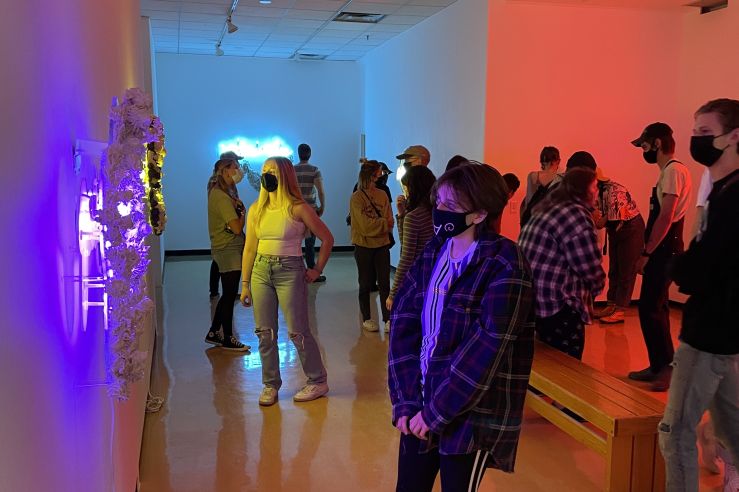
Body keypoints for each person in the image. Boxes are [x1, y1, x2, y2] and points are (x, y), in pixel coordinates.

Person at [388, 163, 535, 491]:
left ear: (480, 214)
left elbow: (485, 353)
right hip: (420, 400)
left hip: (467, 414)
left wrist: (434, 414)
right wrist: (405, 400)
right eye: (438, 202)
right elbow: (404, 324)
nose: (439, 212)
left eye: (450, 207)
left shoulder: (506, 263)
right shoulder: (435, 250)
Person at [659, 98, 739, 491]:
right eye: (694, 131)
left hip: (711, 331)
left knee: (675, 432)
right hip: (720, 329)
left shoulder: (734, 197)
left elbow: (705, 266)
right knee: (733, 429)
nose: (696, 139)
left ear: (734, 137)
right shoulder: (722, 190)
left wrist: (680, 266)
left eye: (705, 133)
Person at [240, 156, 333, 406]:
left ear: (285, 175)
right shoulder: (256, 209)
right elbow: (249, 248)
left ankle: (317, 380)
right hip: (261, 270)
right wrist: (245, 283)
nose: (267, 174)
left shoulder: (298, 208)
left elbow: (327, 238)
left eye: (273, 170)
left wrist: (316, 269)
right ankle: (270, 385)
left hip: (289, 270)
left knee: (298, 331)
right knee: (265, 332)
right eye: (265, 170)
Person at [519, 160, 606, 360]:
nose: (597, 192)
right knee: (568, 364)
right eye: (594, 187)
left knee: (545, 362)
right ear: (583, 190)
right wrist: (598, 286)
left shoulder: (548, 208)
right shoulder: (575, 214)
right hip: (557, 304)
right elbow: (588, 265)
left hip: (533, 300)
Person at [628, 122, 692, 392]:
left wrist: (646, 252)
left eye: (644, 144)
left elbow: (666, 216)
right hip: (663, 249)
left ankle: (665, 369)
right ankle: (659, 365)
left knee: (650, 308)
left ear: (656, 143)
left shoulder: (674, 171)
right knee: (657, 307)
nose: (642, 150)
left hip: (664, 250)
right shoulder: (670, 171)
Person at [566, 154, 645, 325]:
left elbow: (604, 223)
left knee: (626, 271)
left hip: (630, 229)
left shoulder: (612, 191)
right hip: (616, 230)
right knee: (614, 270)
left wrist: (593, 214)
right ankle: (611, 305)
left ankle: (620, 310)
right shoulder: (593, 192)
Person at [205, 158, 250, 351]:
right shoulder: (221, 196)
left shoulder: (224, 192)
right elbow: (236, 228)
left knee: (228, 293)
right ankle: (228, 337)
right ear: (224, 171)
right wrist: (243, 214)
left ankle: (215, 331)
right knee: (229, 293)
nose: (238, 171)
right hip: (228, 248)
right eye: (235, 168)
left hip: (230, 247)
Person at [350, 160, 394, 332]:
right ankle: (367, 318)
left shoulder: (383, 195)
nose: (381, 177)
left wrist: (378, 224)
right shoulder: (356, 198)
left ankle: (388, 318)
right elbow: (364, 226)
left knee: (384, 283)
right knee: (365, 283)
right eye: (379, 173)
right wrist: (381, 224)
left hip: (382, 245)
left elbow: (390, 220)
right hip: (363, 245)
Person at [386, 166, 436, 317]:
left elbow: (407, 256)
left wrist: (393, 293)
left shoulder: (414, 216)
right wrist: (401, 214)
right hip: (435, 273)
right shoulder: (437, 211)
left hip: (417, 278)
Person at [208, 150, 244, 299]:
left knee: (218, 263)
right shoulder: (216, 186)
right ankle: (217, 291)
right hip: (226, 236)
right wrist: (241, 214)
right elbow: (223, 208)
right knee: (218, 263)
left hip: (229, 234)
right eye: (235, 164)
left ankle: (220, 291)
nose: (238, 169)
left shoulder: (229, 186)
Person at [294, 143, 327, 282]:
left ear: (298, 154)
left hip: (295, 209)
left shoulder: (292, 170)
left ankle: (296, 272)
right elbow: (320, 191)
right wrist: (322, 207)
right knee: (310, 243)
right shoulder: (314, 170)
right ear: (310, 154)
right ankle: (311, 271)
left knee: (295, 241)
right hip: (310, 210)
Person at [520, 146, 562, 226]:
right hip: (550, 222)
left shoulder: (533, 176)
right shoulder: (561, 179)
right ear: (558, 161)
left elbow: (529, 201)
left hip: (532, 220)